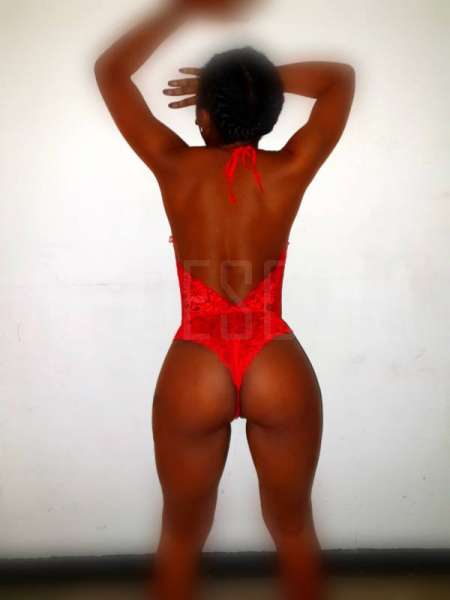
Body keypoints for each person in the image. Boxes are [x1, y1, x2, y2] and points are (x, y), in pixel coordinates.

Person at [95, 0, 355, 598]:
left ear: (204, 113)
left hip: (197, 359)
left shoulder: (174, 166)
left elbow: (111, 72)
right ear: (268, 113)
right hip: (273, 356)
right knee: (295, 529)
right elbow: (340, 79)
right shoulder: (291, 167)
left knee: (180, 536)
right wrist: (254, 81)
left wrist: (184, 9)